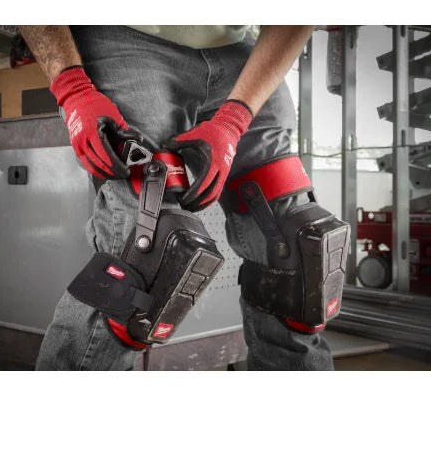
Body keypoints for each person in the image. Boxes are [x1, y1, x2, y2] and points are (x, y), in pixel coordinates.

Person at [19, 25, 341, 371]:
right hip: (125, 37)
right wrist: (72, 87)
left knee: (297, 251)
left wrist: (234, 119)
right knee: (144, 255)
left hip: (242, 51)